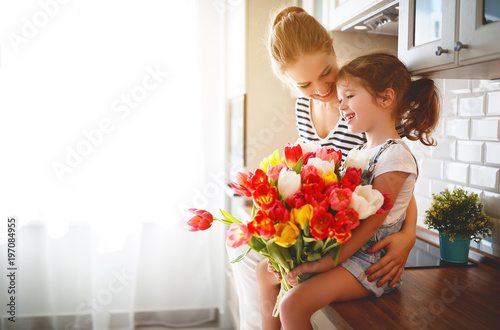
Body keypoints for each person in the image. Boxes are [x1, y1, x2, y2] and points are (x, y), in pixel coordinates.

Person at [227, 6, 417, 330]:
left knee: (272, 279)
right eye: (304, 83)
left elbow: (390, 178)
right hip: (326, 226)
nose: (321, 88)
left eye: (326, 71)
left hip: (354, 234)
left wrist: (409, 236)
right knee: (251, 261)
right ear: (288, 80)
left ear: (332, 48)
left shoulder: (359, 98)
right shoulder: (304, 106)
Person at [257, 52, 440, 330]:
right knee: (264, 272)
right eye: (340, 99)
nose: (341, 106)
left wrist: (322, 265)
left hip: (370, 263)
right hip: (346, 252)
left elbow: (370, 225)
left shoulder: (396, 157)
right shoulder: (359, 151)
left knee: (292, 304)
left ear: (385, 98)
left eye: (350, 96)